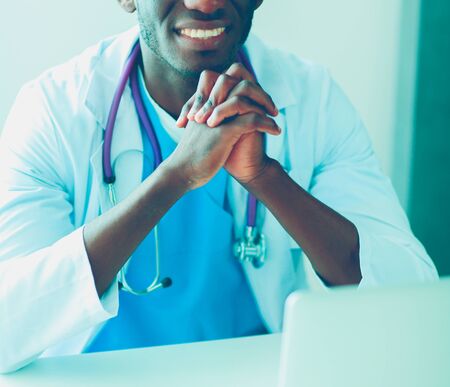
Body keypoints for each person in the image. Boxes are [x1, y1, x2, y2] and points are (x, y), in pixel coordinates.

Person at [0, 0, 438, 373]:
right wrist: (175, 176)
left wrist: (265, 178)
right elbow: (8, 325)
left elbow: (408, 300)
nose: (206, 2)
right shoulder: (56, 111)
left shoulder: (313, 100)